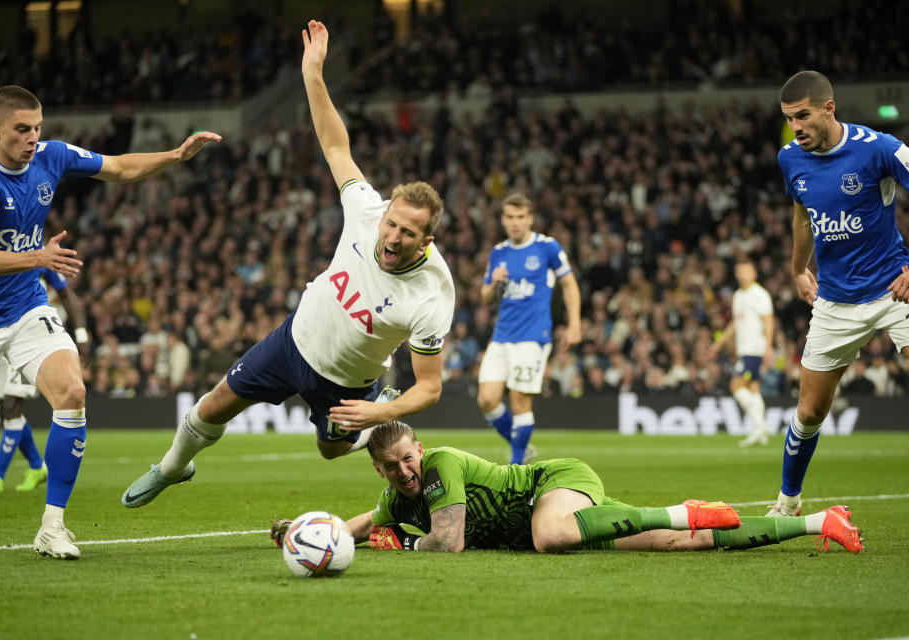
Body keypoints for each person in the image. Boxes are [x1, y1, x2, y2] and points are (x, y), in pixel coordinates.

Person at [121, 19, 455, 509]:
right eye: (391, 224)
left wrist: (376, 412)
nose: (392, 235)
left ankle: (372, 416)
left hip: (345, 381)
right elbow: (336, 145)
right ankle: (172, 467)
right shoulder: (366, 210)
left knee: (328, 450)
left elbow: (429, 387)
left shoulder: (431, 292)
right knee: (215, 403)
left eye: (407, 233)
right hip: (293, 339)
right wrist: (312, 74)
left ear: (426, 239)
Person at [0, 85, 221, 558]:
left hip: (26, 307)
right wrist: (39, 255)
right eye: (21, 130)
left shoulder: (51, 157)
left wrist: (174, 156)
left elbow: (116, 167)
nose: (32, 138)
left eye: (37, 128)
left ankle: (52, 526)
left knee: (72, 393)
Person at [270, 422, 863, 554]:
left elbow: (447, 543)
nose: (405, 473)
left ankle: (677, 509)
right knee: (680, 547)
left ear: (419, 449)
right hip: (545, 520)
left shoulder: (441, 464)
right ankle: (818, 522)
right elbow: (359, 523)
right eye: (392, 469)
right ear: (379, 471)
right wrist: (303, 533)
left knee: (550, 535)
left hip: (553, 485)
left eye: (407, 460)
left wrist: (401, 547)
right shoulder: (394, 496)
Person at [768, 70, 909, 517]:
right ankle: (788, 503)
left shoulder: (881, 149)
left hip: (894, 289)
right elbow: (802, 214)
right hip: (834, 300)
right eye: (790, 119)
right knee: (808, 413)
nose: (797, 127)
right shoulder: (790, 158)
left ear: (829, 108)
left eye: (803, 116)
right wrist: (797, 269)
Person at [476, 194, 581, 464]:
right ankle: (520, 444)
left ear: (530, 218)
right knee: (487, 400)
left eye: (521, 217)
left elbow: (569, 284)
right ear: (503, 219)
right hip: (502, 336)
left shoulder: (547, 247)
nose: (515, 223)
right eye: (510, 217)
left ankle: (515, 466)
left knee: (520, 401)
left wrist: (574, 324)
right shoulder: (499, 252)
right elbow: (485, 296)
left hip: (533, 336)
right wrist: (493, 283)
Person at [0, 268, 89, 494]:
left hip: (30, 335)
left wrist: (80, 333)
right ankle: (36, 466)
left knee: (12, 406)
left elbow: (65, 292)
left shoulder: (38, 251)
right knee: (5, 408)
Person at [708, 259, 774, 446]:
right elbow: (735, 323)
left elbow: (769, 321)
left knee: (736, 386)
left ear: (754, 274)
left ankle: (760, 426)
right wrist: (718, 344)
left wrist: (768, 347)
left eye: (746, 271)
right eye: (740, 271)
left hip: (755, 349)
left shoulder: (760, 294)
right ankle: (761, 434)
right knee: (753, 389)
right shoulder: (738, 296)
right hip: (744, 349)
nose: (743, 275)